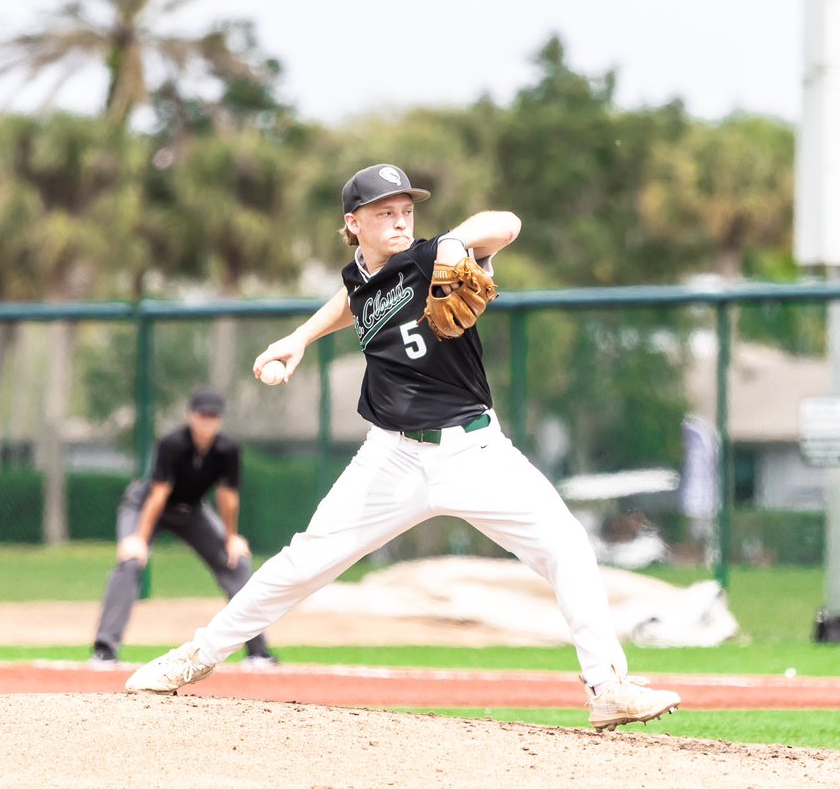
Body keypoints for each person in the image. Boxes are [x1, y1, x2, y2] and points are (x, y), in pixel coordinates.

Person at [125, 164, 680, 731]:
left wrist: (458, 243)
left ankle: (607, 687)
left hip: (474, 451)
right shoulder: (361, 276)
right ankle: (194, 658)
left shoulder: (432, 256)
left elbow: (506, 223)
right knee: (301, 564)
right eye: (384, 212)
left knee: (566, 546)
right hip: (390, 457)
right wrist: (298, 339)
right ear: (353, 223)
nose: (399, 220)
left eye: (405, 210)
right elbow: (353, 298)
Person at [90, 387, 276, 669]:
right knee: (130, 562)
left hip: (192, 510)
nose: (207, 421)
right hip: (145, 506)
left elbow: (227, 497)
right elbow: (158, 494)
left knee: (236, 561)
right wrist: (139, 539)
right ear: (191, 416)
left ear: (219, 419)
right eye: (202, 415)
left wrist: (231, 537)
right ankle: (105, 651)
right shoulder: (173, 444)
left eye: (213, 416)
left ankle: (258, 652)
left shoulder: (227, 449)